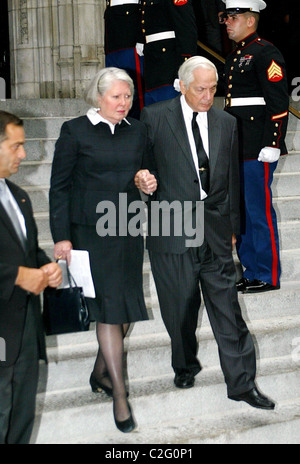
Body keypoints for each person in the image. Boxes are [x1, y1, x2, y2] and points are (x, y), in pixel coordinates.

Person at [138, 56, 275, 410]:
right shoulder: (154, 117)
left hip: (214, 228)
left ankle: (242, 384)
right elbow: (138, 168)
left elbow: (229, 179)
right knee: (180, 307)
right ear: (182, 86)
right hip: (171, 225)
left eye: (213, 88)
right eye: (201, 89)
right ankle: (184, 362)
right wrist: (142, 181)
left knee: (228, 310)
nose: (207, 96)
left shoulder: (226, 122)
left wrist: (232, 227)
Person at [49, 67, 157, 433]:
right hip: (88, 234)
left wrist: (146, 180)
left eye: (127, 97)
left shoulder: (138, 130)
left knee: (123, 309)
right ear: (99, 97)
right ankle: (120, 395)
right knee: (110, 312)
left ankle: (99, 372)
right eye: (116, 97)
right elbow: (59, 187)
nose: (124, 103)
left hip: (125, 228)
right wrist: (61, 236)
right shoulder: (75, 130)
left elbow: (148, 175)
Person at [0, 111, 62, 444]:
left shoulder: (19, 196)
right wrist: (15, 276)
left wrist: (45, 267)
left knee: (21, 417)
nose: (24, 154)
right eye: (17, 146)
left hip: (24, 333)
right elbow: (14, 268)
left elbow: (27, 251)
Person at [222, 0, 290, 293]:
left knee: (257, 211)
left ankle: (267, 273)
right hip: (238, 145)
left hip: (258, 148)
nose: (226, 22)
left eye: (232, 17)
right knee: (242, 213)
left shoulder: (265, 52)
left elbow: (277, 102)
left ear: (250, 20)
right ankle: (250, 269)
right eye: (226, 17)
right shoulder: (235, 55)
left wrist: (273, 143)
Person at [141, 0, 198, 106]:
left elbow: (187, 32)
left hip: (169, 67)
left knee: (170, 114)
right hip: (152, 65)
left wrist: (183, 72)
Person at [104, 0, 144, 118]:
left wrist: (142, 38)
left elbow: (146, 8)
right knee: (113, 85)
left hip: (130, 36)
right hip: (113, 41)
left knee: (132, 87)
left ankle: (136, 122)